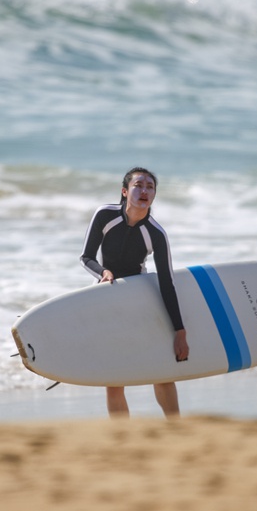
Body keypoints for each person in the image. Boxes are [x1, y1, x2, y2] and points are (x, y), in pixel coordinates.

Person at [80, 167, 189, 419]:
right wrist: (103, 272)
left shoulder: (156, 234)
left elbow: (166, 283)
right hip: (108, 296)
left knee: (160, 373)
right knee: (114, 378)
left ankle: (176, 427)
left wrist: (180, 332)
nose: (144, 191)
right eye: (138, 185)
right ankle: (122, 436)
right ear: (125, 191)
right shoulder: (105, 215)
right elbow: (86, 257)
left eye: (150, 187)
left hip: (139, 298)